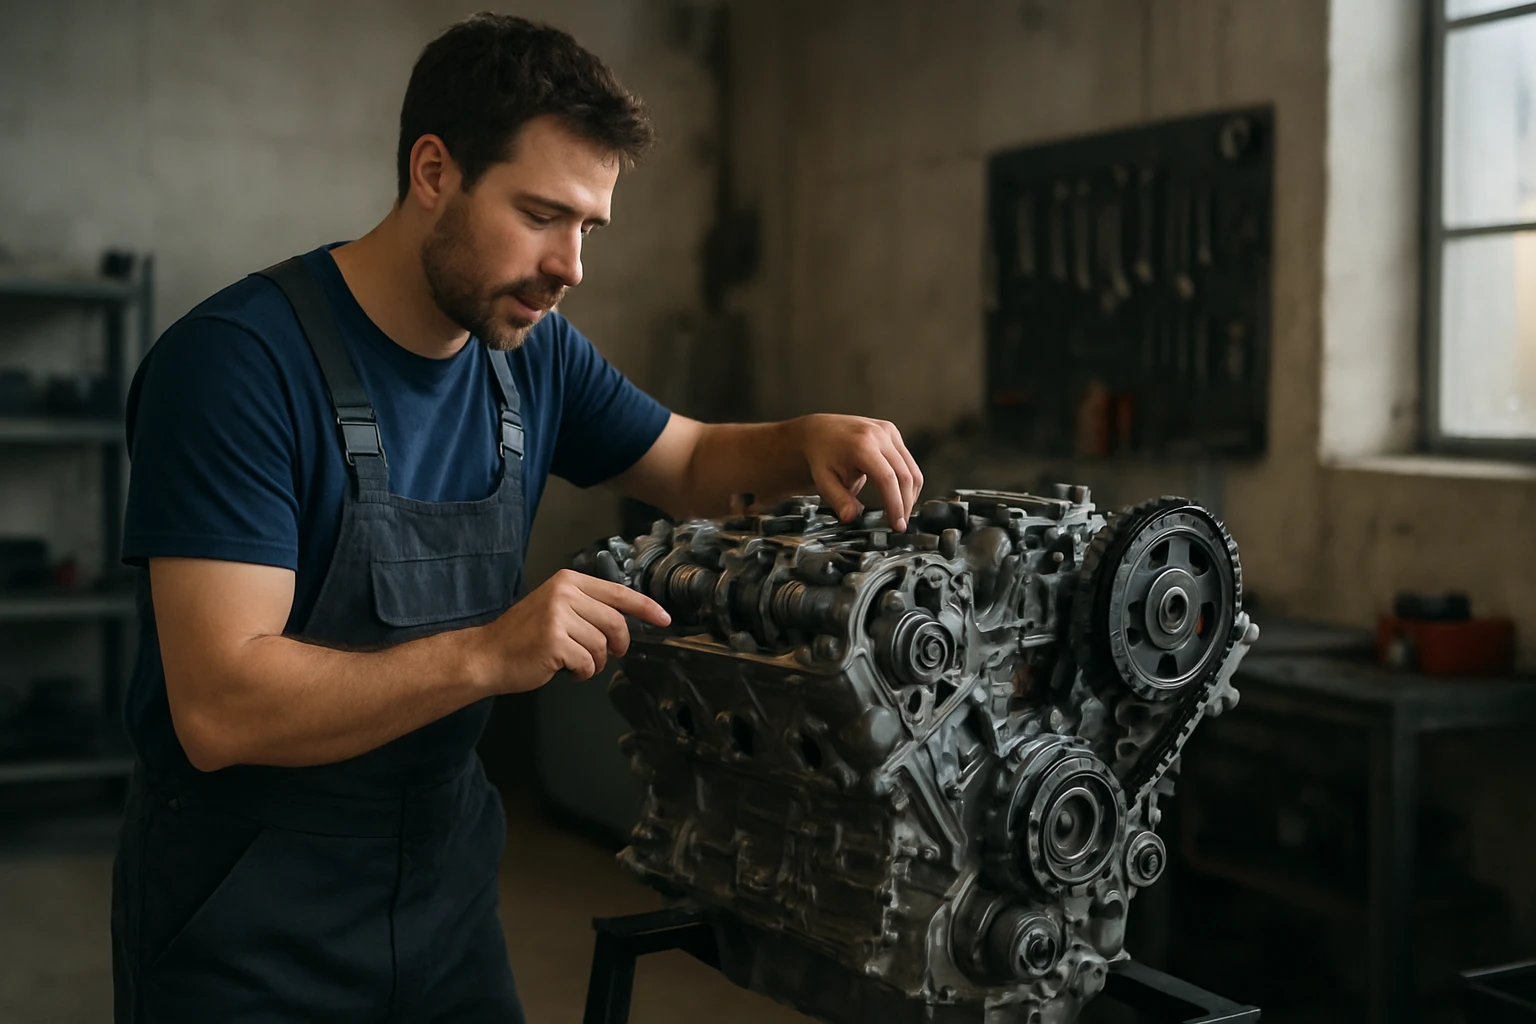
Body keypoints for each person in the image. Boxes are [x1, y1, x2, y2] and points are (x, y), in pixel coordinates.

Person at [110, 12, 923, 1024]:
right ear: (434, 171)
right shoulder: (238, 366)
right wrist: (491, 653)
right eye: (542, 214)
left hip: (443, 893)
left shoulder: (530, 357)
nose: (571, 265)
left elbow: (688, 463)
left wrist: (803, 439)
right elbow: (221, 708)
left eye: (589, 228)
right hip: (247, 916)